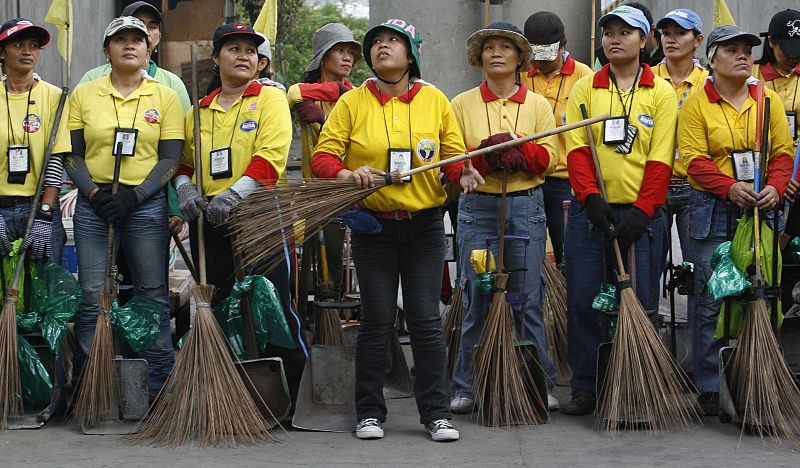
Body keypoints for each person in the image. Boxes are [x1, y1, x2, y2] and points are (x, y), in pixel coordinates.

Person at [311, 18, 463, 441]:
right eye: (376, 42)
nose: (382, 47)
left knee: (425, 320)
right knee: (376, 320)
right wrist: (347, 174)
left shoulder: (435, 101)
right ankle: (370, 413)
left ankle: (436, 414)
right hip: (373, 228)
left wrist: (462, 172)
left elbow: (453, 155)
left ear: (411, 53)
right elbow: (324, 158)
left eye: (392, 41)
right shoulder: (352, 102)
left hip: (424, 227)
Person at [173, 23, 307, 403]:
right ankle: (221, 390)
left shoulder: (270, 99)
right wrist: (184, 190)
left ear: (259, 61)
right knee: (213, 301)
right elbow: (183, 163)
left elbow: (271, 158)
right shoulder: (198, 110)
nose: (244, 55)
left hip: (257, 213)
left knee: (273, 301)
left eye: (251, 50)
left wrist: (232, 196)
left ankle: (292, 393)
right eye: (233, 49)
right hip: (208, 219)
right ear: (216, 59)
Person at [562, 6, 676, 415]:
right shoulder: (585, 88)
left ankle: (635, 385)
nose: (614, 38)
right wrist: (591, 199)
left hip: (641, 216)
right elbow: (576, 149)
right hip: (591, 214)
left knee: (642, 301)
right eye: (608, 32)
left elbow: (661, 158)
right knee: (584, 299)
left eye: (625, 32)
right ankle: (587, 385)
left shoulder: (660, 91)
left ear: (644, 40)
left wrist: (643, 212)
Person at [678, 25, 794, 415]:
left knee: (759, 294)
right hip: (712, 210)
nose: (743, 55)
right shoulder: (696, 102)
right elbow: (693, 158)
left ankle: (752, 379)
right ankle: (710, 386)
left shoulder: (767, 100)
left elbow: (782, 153)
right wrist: (728, 186)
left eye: (747, 49)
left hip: (760, 208)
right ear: (712, 57)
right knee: (713, 297)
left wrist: (777, 187)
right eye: (732, 50)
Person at [66, 16, 184, 397]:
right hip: (93, 205)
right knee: (91, 293)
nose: (129, 45)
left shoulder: (164, 96)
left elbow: (170, 159)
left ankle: (157, 386)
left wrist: (135, 196)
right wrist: (94, 196)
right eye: (120, 40)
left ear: (149, 50)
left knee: (152, 292)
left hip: (144, 205)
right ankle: (90, 385)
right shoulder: (85, 93)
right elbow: (71, 155)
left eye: (138, 39)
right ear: (107, 50)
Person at [445, 21, 558, 414]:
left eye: (505, 47)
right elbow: (454, 160)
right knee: (477, 295)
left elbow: (548, 160)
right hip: (479, 209)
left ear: (519, 58)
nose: (496, 53)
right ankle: (466, 385)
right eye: (489, 47)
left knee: (526, 298)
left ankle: (538, 383)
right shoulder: (461, 104)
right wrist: (483, 155)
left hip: (526, 204)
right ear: (480, 57)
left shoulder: (538, 105)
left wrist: (520, 153)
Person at [288, 23, 361, 303]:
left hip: (348, 187)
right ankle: (315, 318)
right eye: (340, 51)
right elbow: (294, 93)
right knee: (315, 262)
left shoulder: (355, 96)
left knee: (341, 260)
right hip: (314, 192)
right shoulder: (304, 92)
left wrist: (325, 119)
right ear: (323, 57)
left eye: (351, 53)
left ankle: (341, 312)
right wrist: (334, 92)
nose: (348, 58)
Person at [521, 11, 593, 266]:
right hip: (528, 178)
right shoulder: (518, 76)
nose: (540, 64)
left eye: (547, 58)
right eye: (535, 58)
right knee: (528, 255)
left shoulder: (585, 76)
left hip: (565, 180)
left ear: (564, 46)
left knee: (567, 256)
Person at [652, 8, 708, 325]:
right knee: (649, 271)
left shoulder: (708, 83)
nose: (671, 39)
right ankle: (651, 348)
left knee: (699, 269)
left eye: (680, 33)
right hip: (655, 185)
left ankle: (700, 348)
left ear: (697, 40)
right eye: (666, 33)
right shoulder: (645, 79)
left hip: (695, 187)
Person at [0, 19, 68, 265]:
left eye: (34, 45)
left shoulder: (54, 97)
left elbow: (56, 157)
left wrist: (45, 213)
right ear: (2, 53)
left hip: (39, 206)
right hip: (1, 209)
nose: (28, 51)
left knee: (45, 294)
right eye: (18, 44)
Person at [753, 9, 800, 150]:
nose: (794, 58)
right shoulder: (750, 75)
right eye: (788, 52)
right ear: (771, 41)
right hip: (765, 158)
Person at [595, 2, 663, 69]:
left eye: (624, 33)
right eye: (608, 33)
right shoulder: (601, 58)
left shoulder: (667, 52)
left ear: (642, 40)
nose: (614, 41)